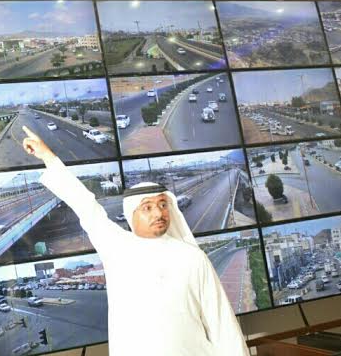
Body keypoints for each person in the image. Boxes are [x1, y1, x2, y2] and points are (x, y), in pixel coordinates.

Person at [21, 125, 249, 356]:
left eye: (163, 205)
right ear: (132, 214)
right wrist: (48, 156)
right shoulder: (117, 247)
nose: (158, 213)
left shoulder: (193, 257)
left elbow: (222, 324)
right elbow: (84, 204)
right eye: (147, 207)